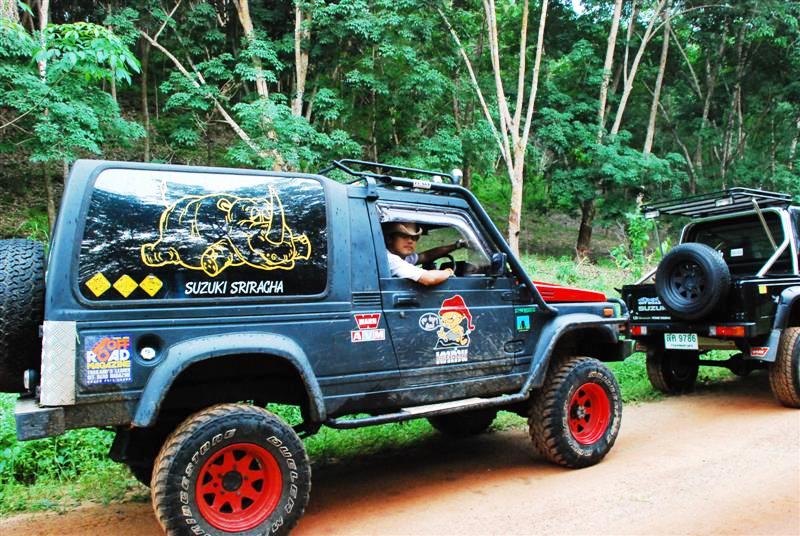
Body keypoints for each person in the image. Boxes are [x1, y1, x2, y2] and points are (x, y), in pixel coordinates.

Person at [384, 222, 466, 286]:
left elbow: (425, 256)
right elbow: (429, 279)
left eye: (414, 238)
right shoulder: (390, 259)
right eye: (404, 236)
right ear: (389, 239)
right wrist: (448, 272)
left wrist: (456, 245)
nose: (410, 241)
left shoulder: (402, 257)